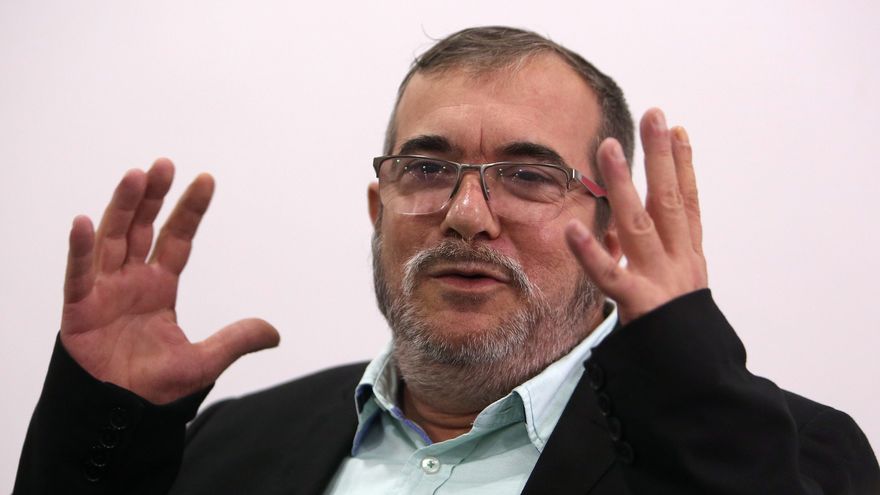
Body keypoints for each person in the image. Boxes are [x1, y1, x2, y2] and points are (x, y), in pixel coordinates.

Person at [14, 26, 879, 494]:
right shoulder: (231, 445)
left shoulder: (782, 453)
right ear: (378, 209)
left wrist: (684, 361)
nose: (468, 216)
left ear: (614, 232)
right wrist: (103, 419)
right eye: (427, 170)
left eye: (528, 176)